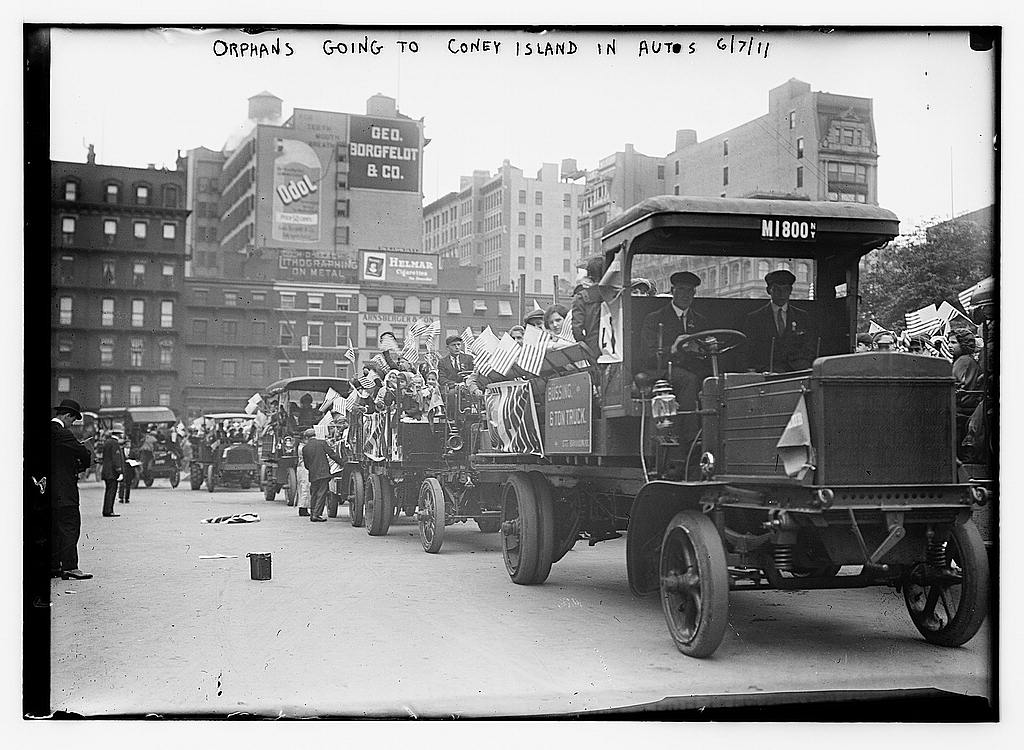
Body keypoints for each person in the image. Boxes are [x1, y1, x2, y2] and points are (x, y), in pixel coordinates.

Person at [640, 271, 710, 408]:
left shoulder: (700, 321)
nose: (686, 295)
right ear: (673, 291)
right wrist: (673, 348)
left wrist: (702, 349)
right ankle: (689, 427)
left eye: (690, 291)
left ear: (694, 294)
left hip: (692, 367)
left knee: (715, 378)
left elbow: (705, 353)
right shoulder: (655, 319)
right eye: (681, 289)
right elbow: (647, 355)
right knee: (688, 380)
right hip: (662, 369)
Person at [742, 269, 818, 373]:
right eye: (777, 290)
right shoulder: (755, 318)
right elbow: (749, 351)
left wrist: (803, 364)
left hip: (797, 372)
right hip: (767, 372)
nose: (782, 294)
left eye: (786, 290)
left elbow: (810, 345)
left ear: (790, 291)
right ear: (769, 290)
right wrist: (760, 369)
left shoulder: (802, 316)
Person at [50, 398, 93, 580]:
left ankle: (53, 567)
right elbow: (84, 454)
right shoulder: (62, 433)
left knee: (52, 528)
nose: (72, 424)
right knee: (69, 526)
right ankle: (69, 567)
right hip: (64, 490)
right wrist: (81, 460)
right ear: (67, 416)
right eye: (73, 420)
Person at [301, 428, 345, 522]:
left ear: (306, 437)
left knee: (314, 494)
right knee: (321, 494)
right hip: (323, 472)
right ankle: (316, 515)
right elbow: (332, 455)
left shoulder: (305, 448)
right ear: (315, 434)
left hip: (313, 473)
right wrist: (342, 463)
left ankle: (312, 513)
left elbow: (306, 464)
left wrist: (312, 469)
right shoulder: (321, 443)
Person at [951, 328, 983, 446]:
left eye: (954, 343)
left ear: (963, 345)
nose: (949, 346)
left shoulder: (963, 360)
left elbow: (955, 384)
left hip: (963, 404)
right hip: (967, 402)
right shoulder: (966, 360)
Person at [570, 255, 606, 353]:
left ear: (589, 274)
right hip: (617, 346)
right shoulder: (617, 294)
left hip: (593, 346)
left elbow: (577, 329)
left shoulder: (581, 297)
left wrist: (586, 344)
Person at [99, 430, 124, 518]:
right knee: (112, 491)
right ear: (119, 435)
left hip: (106, 471)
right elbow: (116, 458)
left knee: (108, 491)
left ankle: (107, 510)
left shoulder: (107, 442)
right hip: (112, 472)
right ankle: (109, 511)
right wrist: (120, 471)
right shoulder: (115, 443)